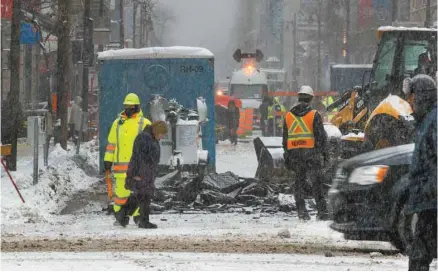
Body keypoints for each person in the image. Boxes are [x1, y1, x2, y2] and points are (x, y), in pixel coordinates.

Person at [403, 75, 437, 271]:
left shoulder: (434, 121)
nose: (410, 103)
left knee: (419, 256)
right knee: (420, 254)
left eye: (413, 98)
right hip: (428, 202)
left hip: (431, 202)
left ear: (423, 98)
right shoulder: (426, 121)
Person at [103, 93, 151, 226]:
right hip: (120, 169)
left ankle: (138, 217)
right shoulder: (117, 124)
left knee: (137, 194)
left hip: (138, 169)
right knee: (120, 195)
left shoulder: (145, 123)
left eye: (131, 106)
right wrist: (108, 161)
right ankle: (120, 217)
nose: (128, 108)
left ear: (137, 106)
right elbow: (111, 144)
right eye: (126, 106)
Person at [282, 85, 329, 221]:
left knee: (299, 183)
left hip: (295, 155)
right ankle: (322, 212)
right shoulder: (314, 115)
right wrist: (325, 155)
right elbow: (321, 137)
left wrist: (288, 156)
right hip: (311, 154)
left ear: (299, 97)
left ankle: (302, 212)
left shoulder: (288, 116)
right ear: (311, 98)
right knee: (317, 183)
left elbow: (285, 140)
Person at [124, 121, 168, 229]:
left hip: (147, 172)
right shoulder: (144, 138)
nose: (162, 137)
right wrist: (135, 174)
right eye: (162, 134)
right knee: (144, 195)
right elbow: (137, 157)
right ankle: (143, 220)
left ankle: (124, 215)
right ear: (157, 131)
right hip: (142, 172)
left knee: (140, 195)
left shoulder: (151, 138)